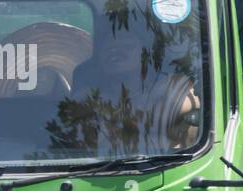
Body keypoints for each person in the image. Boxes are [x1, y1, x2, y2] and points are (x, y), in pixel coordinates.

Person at [61, 17, 203, 152]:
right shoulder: (88, 99)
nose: (115, 52)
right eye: (109, 49)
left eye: (125, 46)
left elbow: (191, 115)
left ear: (146, 54)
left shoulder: (172, 88)